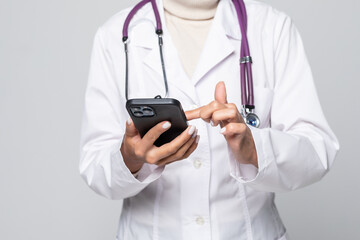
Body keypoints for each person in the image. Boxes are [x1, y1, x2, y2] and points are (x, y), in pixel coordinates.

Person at [79, 0, 339, 239]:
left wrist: (255, 149)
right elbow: (94, 166)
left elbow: (317, 150)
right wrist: (130, 158)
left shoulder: (272, 28)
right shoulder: (116, 35)